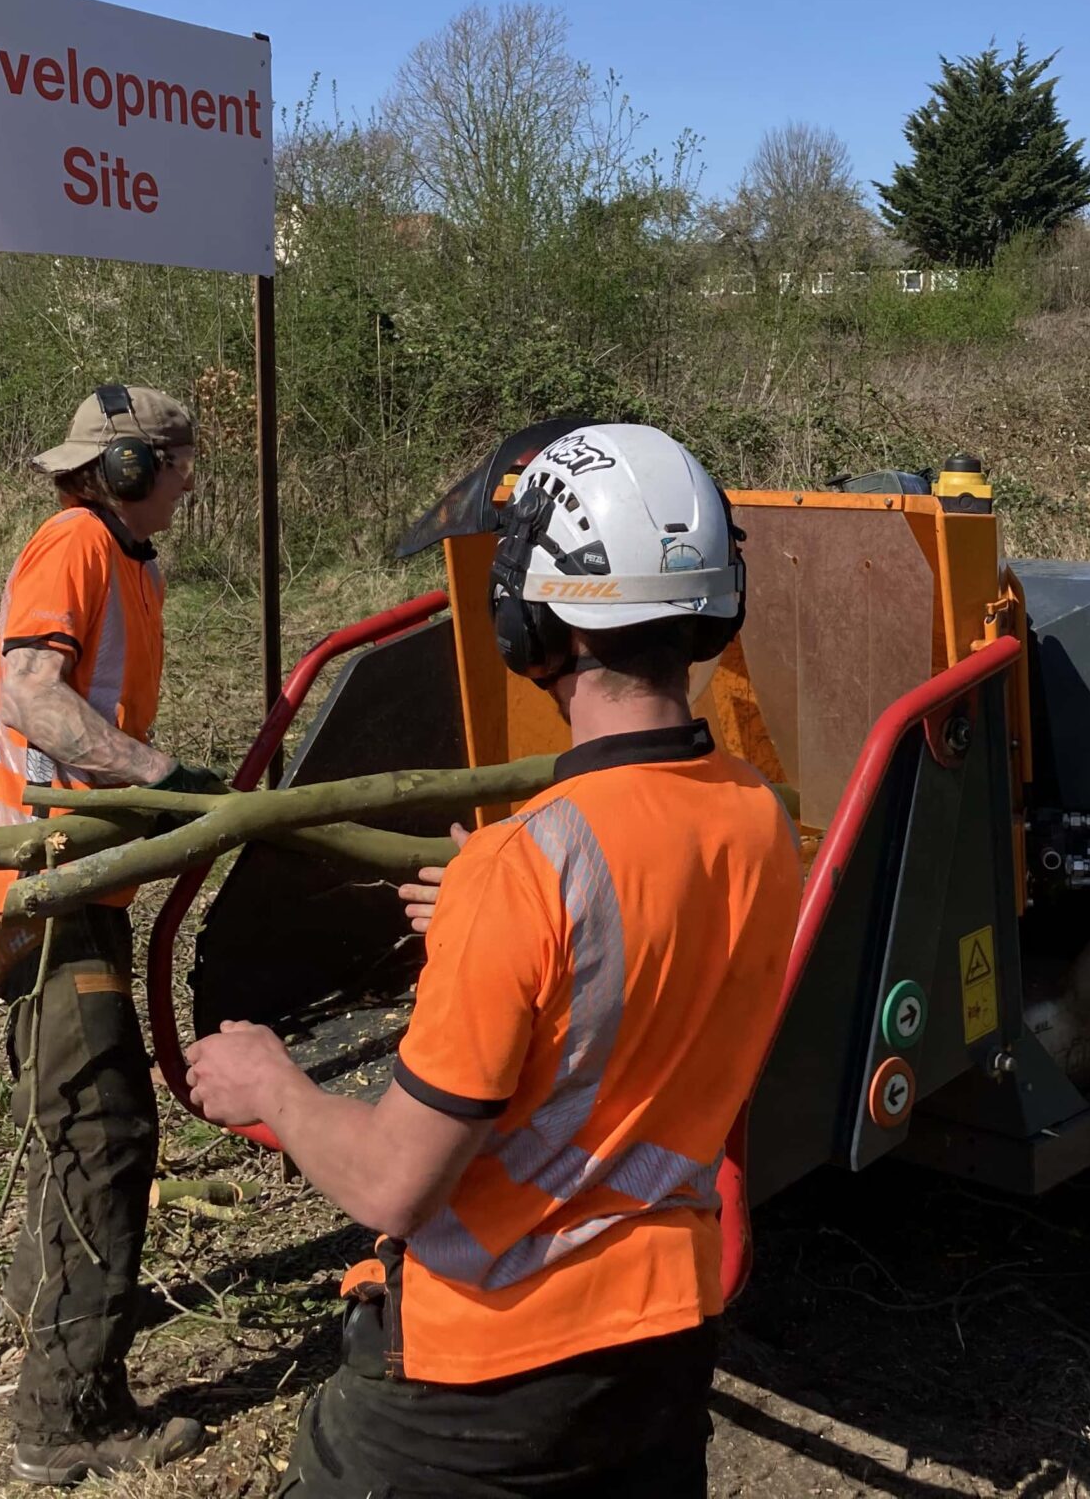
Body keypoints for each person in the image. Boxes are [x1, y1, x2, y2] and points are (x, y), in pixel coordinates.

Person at [186, 423, 801, 1497]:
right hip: (660, 1353)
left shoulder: (524, 868)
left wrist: (269, 1083)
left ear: (531, 614)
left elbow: (393, 1186)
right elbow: (633, 980)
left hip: (486, 1381)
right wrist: (489, 926)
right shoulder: (759, 819)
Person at [0, 383, 221, 1486]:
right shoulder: (73, 542)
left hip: (76, 882)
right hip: (42, 887)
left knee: (75, 1120)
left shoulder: (125, 558)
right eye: (177, 463)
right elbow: (32, 696)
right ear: (125, 470)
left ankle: (37, 1320)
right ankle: (62, 1419)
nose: (189, 482)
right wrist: (156, 773)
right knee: (105, 1141)